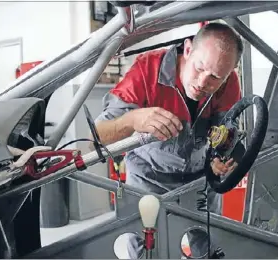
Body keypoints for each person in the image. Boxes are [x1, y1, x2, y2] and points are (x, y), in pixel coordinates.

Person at [94, 22, 244, 257]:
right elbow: (100, 133)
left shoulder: (229, 83)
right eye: (199, 68)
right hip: (147, 179)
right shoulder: (146, 71)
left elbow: (227, 133)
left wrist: (221, 156)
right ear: (187, 49)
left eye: (215, 77)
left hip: (199, 180)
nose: (203, 83)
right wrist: (133, 119)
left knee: (211, 250)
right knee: (145, 252)